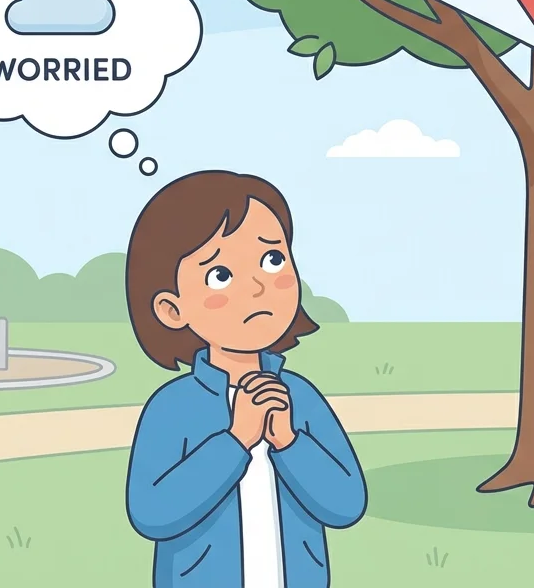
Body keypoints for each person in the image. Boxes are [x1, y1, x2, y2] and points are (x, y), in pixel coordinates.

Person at [124, 170, 366, 588]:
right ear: (171, 309)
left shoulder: (299, 397)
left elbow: (347, 504)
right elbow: (151, 512)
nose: (258, 287)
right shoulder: (172, 406)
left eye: (273, 260)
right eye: (220, 275)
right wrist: (235, 440)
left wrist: (289, 442)